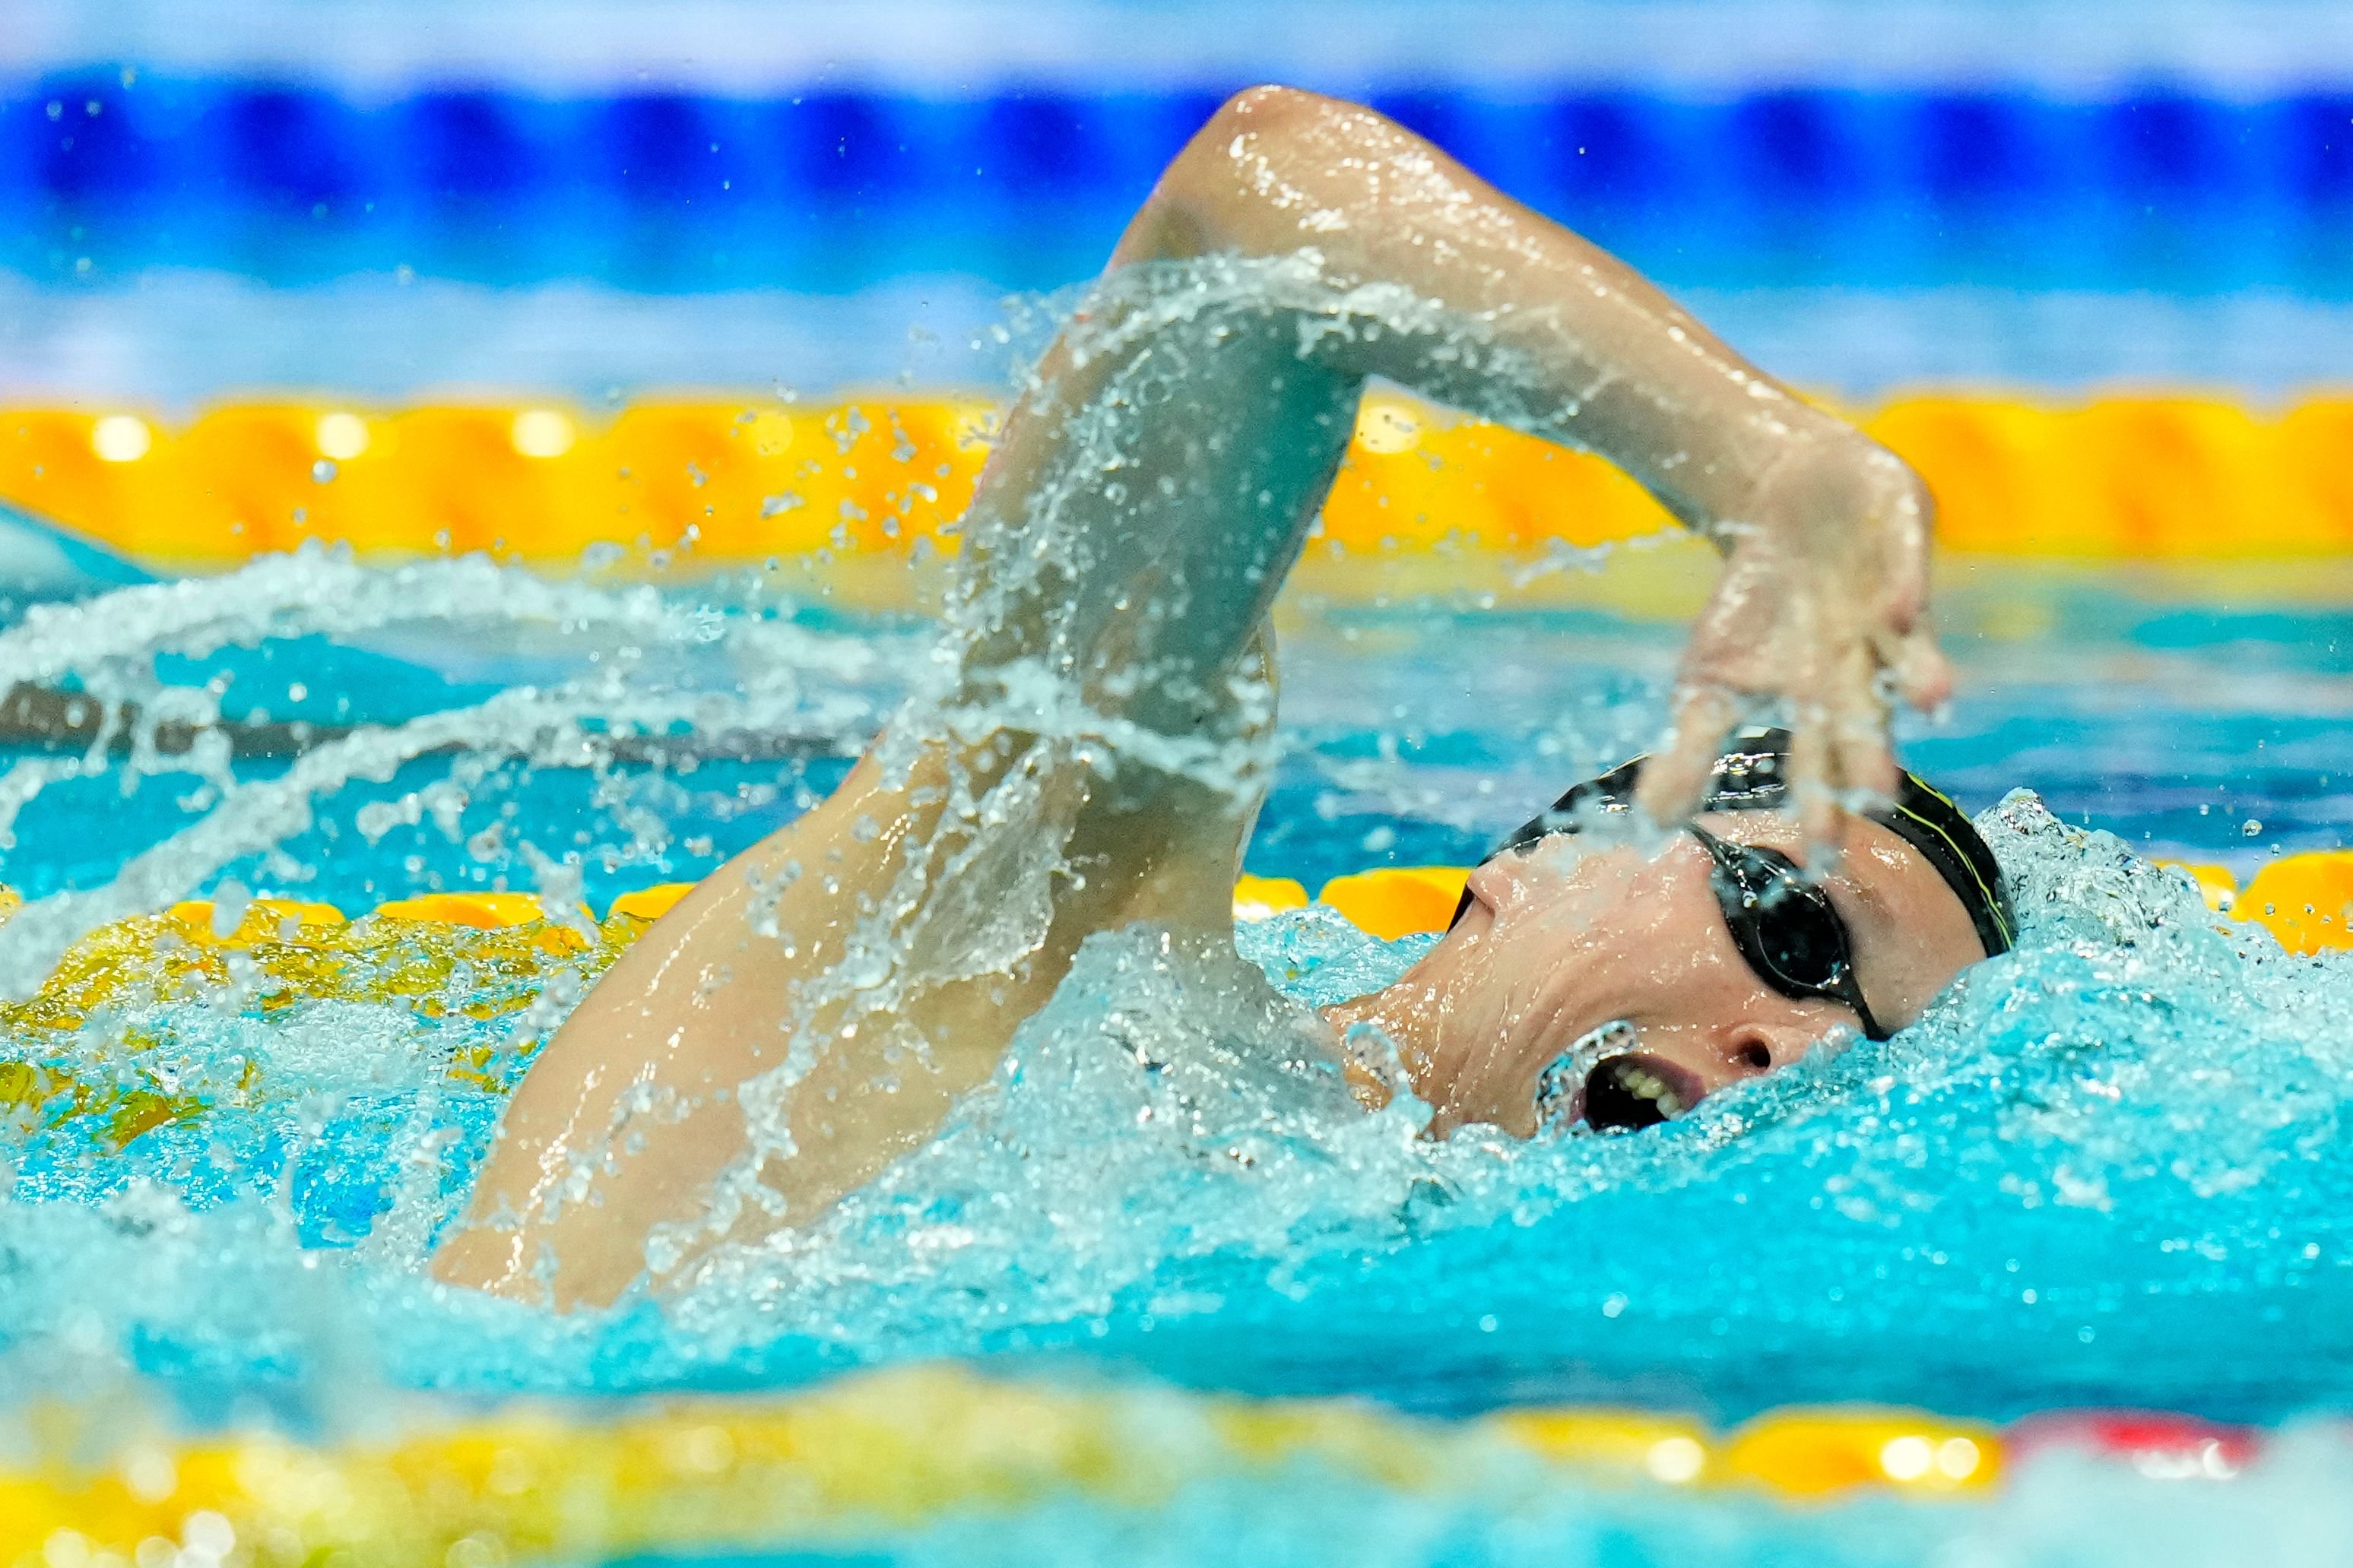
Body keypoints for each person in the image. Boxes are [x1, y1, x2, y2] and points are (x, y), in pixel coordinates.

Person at [430, 85, 2007, 1310]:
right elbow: (1261, 200)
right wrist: (1757, 461)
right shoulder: (1046, 949)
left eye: (1862, 1050)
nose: (1794, 1055)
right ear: (1556, 858)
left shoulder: (1392, 1295)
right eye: (1798, 938)